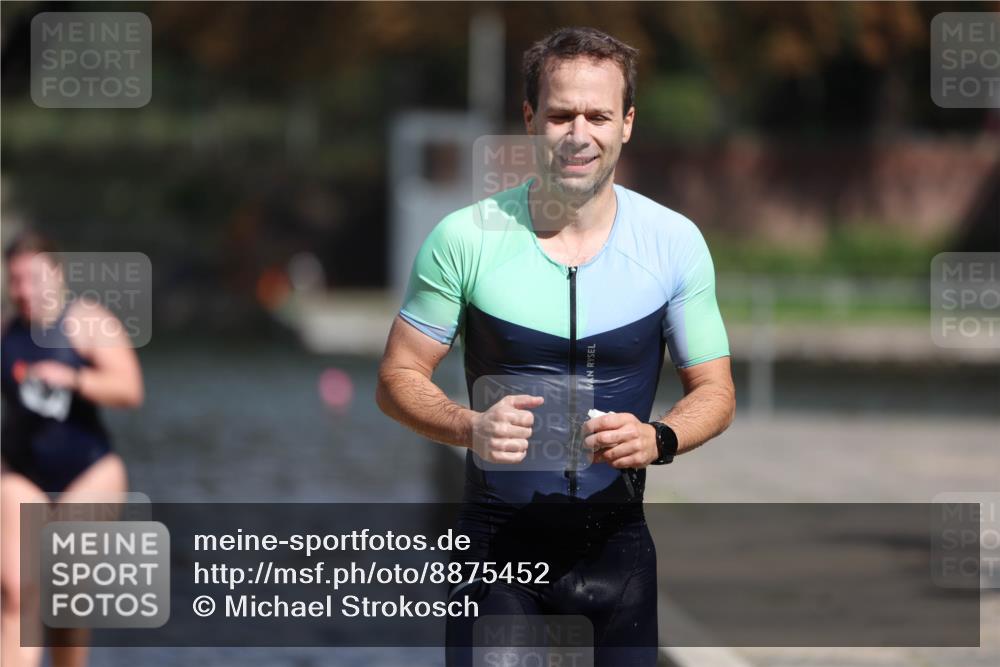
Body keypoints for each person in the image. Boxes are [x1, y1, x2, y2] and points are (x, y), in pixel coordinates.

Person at [376, 27, 735, 666]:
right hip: (494, 554)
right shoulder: (466, 238)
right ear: (529, 119)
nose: (579, 133)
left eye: (598, 115)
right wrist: (468, 426)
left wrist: (661, 439)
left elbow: (715, 391)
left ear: (627, 123)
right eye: (561, 113)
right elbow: (396, 377)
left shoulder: (674, 242)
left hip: (618, 556)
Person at [1, 232, 144, 667]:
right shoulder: (7, 333)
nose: (26, 291)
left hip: (90, 471)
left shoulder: (86, 322)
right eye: (17, 281)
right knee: (15, 588)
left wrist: (75, 379)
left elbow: (130, 390)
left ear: (57, 275)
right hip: (20, 470)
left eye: (34, 279)